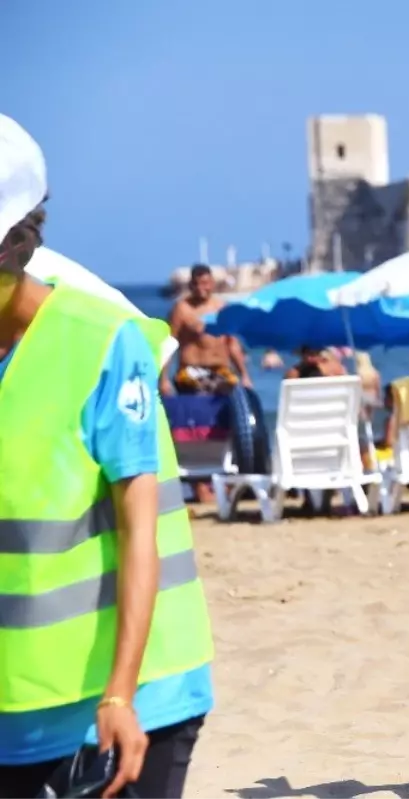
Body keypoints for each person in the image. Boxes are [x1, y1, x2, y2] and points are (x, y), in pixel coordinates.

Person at [0, 114, 214, 799]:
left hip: (128, 698)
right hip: (14, 704)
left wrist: (119, 695)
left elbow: (137, 532)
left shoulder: (102, 345)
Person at [161, 264, 251, 395]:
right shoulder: (181, 309)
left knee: (238, 399)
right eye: (196, 284)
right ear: (191, 285)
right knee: (202, 397)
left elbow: (231, 343)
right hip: (191, 372)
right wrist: (164, 379)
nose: (200, 288)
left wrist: (244, 375)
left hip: (221, 371)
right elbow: (169, 344)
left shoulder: (221, 308)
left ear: (212, 284)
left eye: (205, 283)